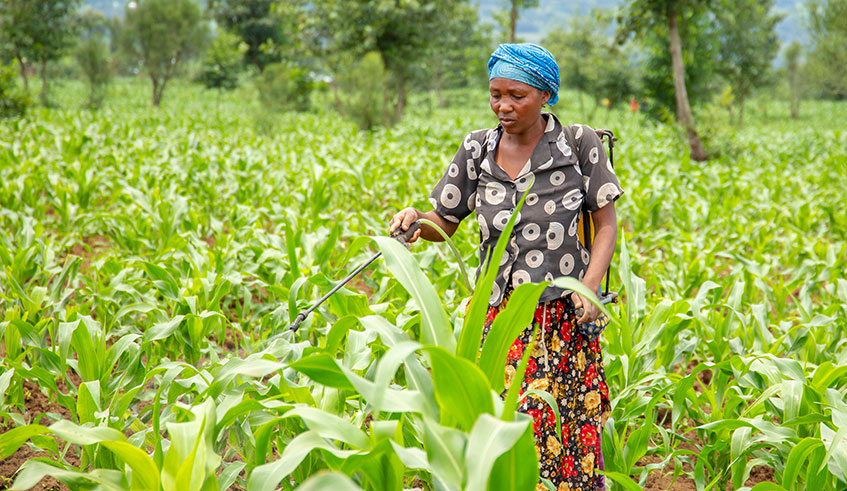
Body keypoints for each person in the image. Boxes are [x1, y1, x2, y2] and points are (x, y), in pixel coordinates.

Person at [389, 43, 623, 491]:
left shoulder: (578, 144)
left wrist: (590, 288)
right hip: (498, 318)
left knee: (560, 428)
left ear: (545, 95)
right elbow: (446, 222)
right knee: (508, 430)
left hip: (560, 318)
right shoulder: (476, 149)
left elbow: (606, 223)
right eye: (495, 94)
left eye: (517, 96)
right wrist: (416, 221)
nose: (503, 106)